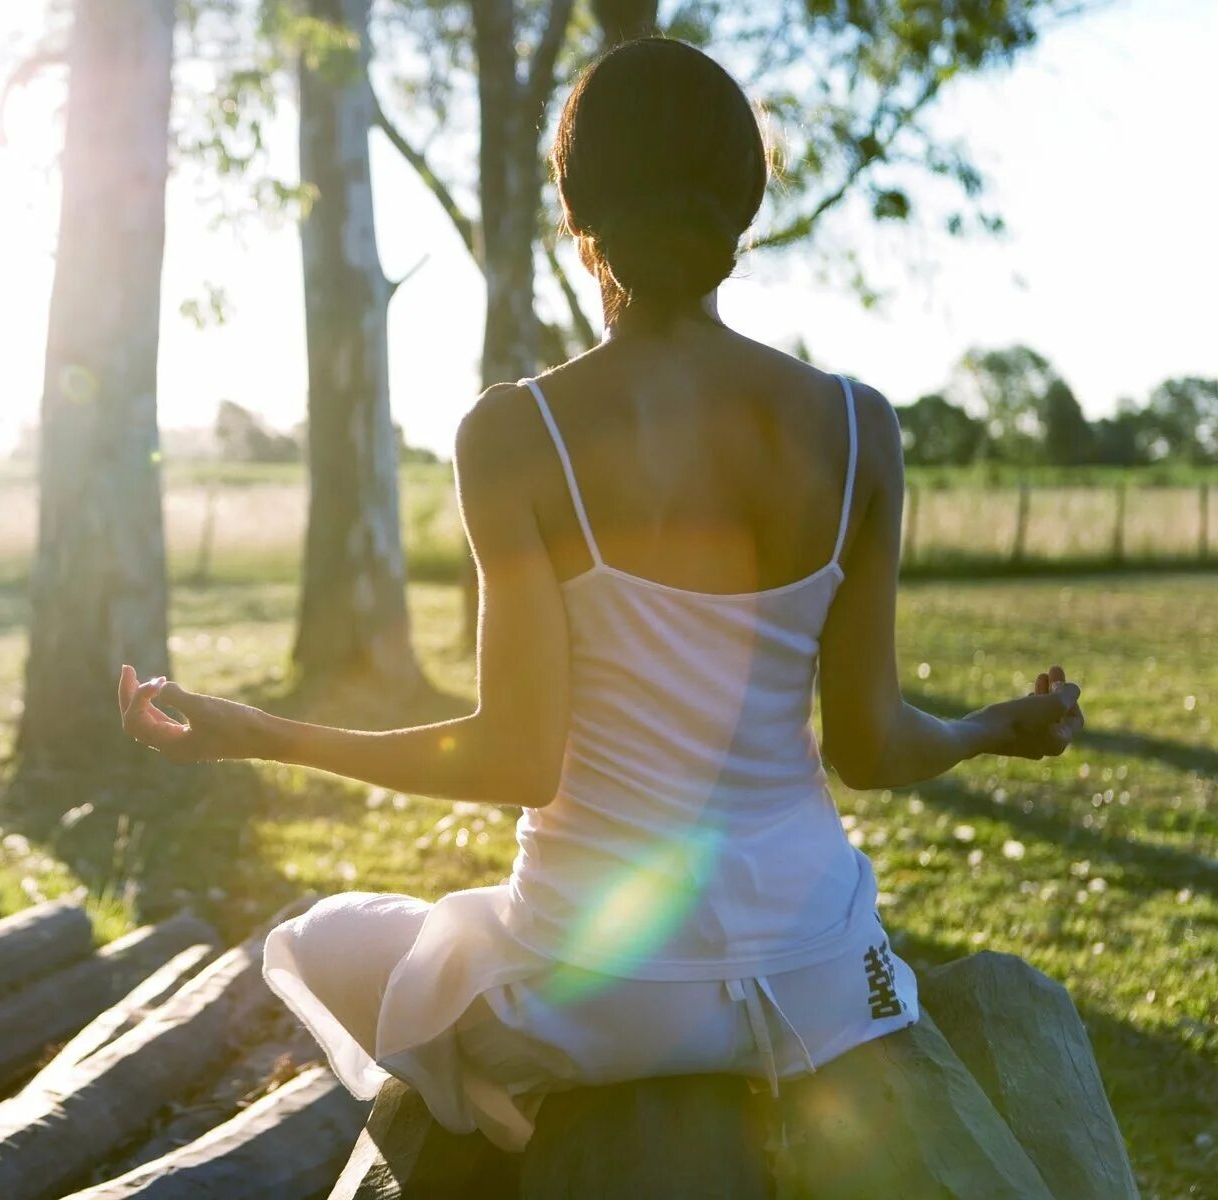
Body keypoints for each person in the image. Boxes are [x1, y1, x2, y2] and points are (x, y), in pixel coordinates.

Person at [117, 35, 1085, 1152]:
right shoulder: (862, 427)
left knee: (327, 943)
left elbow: (514, 760)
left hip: (594, 996)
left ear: (581, 221)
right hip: (823, 980)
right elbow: (867, 748)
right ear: (744, 209)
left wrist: (255, 731)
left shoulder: (514, 433)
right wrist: (991, 730)